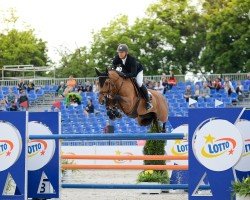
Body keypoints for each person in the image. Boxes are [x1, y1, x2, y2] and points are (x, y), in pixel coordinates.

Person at [112, 44, 153, 110]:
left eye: (122, 52)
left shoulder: (132, 60)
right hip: (126, 72)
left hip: (137, 72)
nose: (120, 54)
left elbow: (133, 74)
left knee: (139, 83)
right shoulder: (117, 58)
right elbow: (113, 66)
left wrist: (124, 75)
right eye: (119, 52)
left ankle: (148, 101)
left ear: (126, 53)